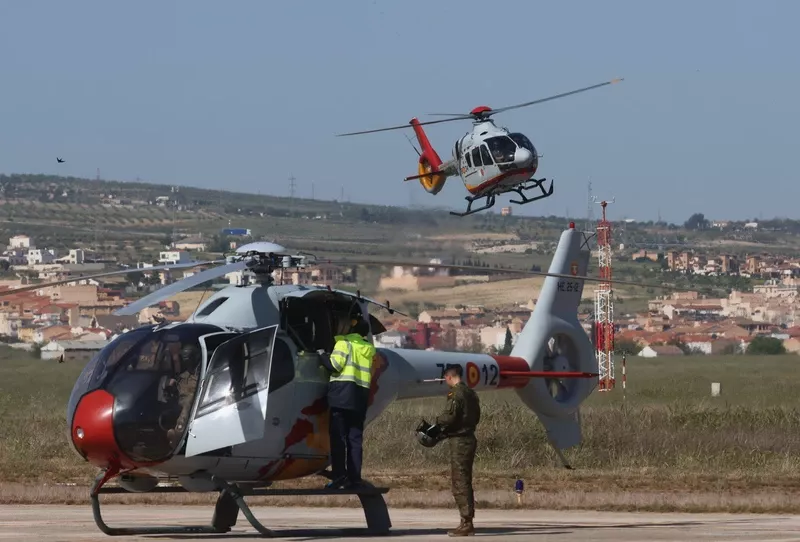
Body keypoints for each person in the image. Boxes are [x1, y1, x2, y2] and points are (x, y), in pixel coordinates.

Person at [318, 306, 375, 489]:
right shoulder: (368, 349)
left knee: (338, 439)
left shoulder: (344, 344)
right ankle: (355, 478)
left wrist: (321, 354)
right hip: (360, 398)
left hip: (342, 397)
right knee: (355, 439)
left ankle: (339, 476)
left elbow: (334, 365)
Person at [434, 364, 481, 537]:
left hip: (459, 441)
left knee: (460, 481)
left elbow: (450, 416)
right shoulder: (471, 393)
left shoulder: (456, 393)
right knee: (464, 478)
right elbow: (476, 415)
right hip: (469, 437)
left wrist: (437, 421)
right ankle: (466, 520)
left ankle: (466, 522)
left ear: (448, 377)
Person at [166, 343, 202, 448]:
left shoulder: (200, 375)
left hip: (192, 403)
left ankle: (178, 434)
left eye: (188, 359)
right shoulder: (183, 375)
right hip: (179, 399)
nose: (186, 362)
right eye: (185, 359)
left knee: (188, 403)